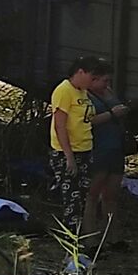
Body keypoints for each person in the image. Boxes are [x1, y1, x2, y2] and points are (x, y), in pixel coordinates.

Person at [49, 56, 118, 237]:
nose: (92, 81)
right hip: (69, 152)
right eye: (91, 77)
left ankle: (83, 239)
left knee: (82, 197)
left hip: (85, 150)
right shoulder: (64, 91)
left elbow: (85, 120)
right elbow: (60, 125)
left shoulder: (82, 92)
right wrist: (69, 156)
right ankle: (71, 242)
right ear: (80, 72)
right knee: (72, 200)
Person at [87, 72, 131, 249]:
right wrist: (112, 114)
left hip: (116, 148)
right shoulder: (85, 96)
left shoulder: (108, 92)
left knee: (111, 195)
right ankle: (90, 239)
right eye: (104, 80)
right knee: (92, 194)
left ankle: (112, 237)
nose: (107, 84)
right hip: (99, 148)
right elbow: (86, 121)